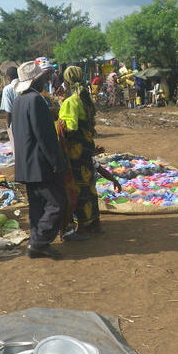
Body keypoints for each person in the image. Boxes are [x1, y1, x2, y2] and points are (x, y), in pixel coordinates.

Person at [12, 61, 69, 259]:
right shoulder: (36, 100)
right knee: (58, 203)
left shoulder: (19, 100)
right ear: (35, 81)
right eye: (43, 78)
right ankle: (38, 242)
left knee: (37, 205)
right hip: (39, 163)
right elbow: (45, 137)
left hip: (26, 163)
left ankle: (38, 243)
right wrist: (57, 162)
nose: (45, 81)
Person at [58, 65, 102, 238]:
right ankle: (95, 222)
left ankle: (82, 226)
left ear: (67, 81)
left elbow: (70, 126)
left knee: (78, 187)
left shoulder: (71, 101)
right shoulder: (85, 99)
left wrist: (58, 120)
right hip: (87, 146)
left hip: (75, 150)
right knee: (90, 184)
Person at [0, 66, 19, 148]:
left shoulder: (7, 89)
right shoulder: (26, 86)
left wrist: (8, 125)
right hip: (27, 119)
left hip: (14, 121)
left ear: (8, 77)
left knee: (16, 145)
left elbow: (8, 110)